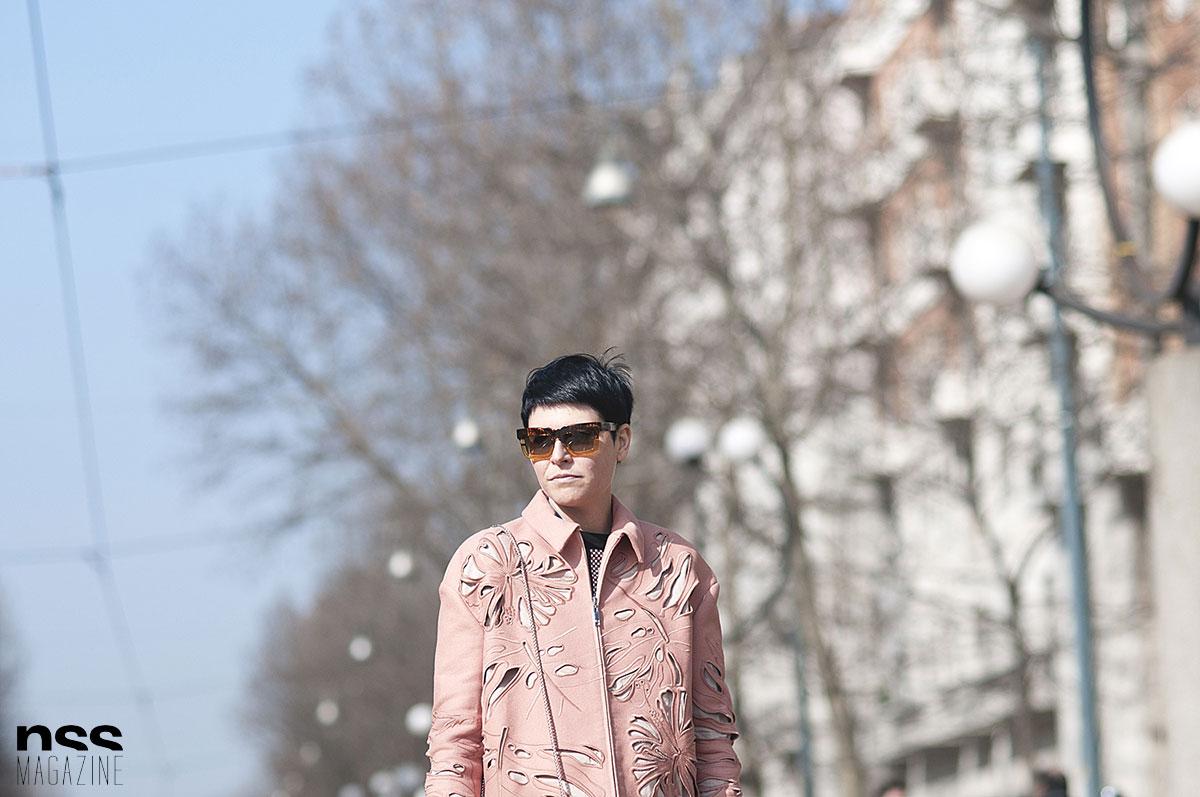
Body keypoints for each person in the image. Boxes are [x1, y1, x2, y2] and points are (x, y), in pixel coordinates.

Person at [424, 351, 744, 797]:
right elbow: (455, 741)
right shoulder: (486, 565)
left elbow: (713, 738)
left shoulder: (677, 568)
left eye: (579, 438)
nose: (558, 456)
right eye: (539, 441)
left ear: (622, 441)